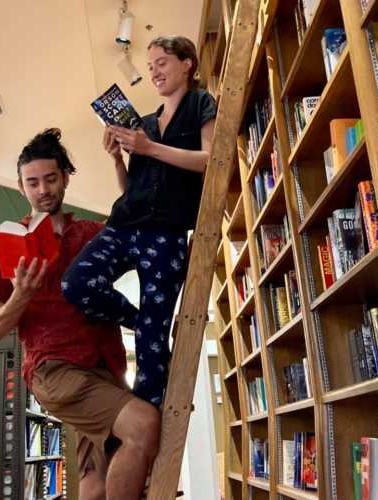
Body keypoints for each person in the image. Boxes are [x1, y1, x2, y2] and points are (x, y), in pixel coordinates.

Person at [0, 128, 160, 500]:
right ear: (21, 187)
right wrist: (21, 295)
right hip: (55, 369)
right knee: (143, 424)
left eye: (50, 179)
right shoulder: (8, 244)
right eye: (32, 183)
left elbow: (136, 223)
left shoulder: (90, 234)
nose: (43, 190)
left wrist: (118, 162)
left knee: (96, 481)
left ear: (65, 177)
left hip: (106, 366)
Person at [61, 36, 217, 407]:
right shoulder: (143, 123)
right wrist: (118, 158)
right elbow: (132, 186)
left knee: (149, 359)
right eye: (150, 67)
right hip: (125, 223)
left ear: (187, 64)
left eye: (161, 62)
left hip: (166, 232)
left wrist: (149, 147)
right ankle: (146, 324)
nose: (154, 72)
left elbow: (211, 160)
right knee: (76, 282)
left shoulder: (201, 103)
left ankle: (150, 427)